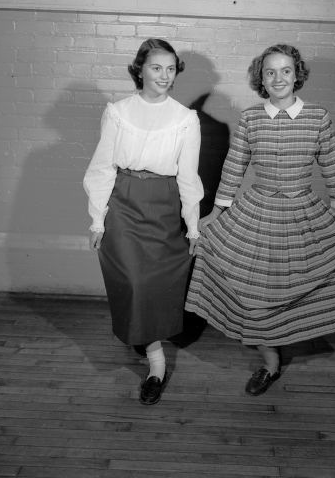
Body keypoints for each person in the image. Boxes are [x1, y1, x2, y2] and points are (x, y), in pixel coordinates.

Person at [185, 43, 335, 396]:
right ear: (261, 79)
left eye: (286, 70)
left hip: (303, 212)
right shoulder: (251, 119)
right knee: (255, 290)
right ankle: (269, 362)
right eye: (270, 72)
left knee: (291, 284)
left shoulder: (318, 118)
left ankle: (288, 335)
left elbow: (333, 168)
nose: (278, 77)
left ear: (297, 75)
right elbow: (234, 167)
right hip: (257, 211)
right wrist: (215, 213)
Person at [83, 38, 203, 405]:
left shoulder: (185, 119)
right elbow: (103, 165)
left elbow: (188, 176)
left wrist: (193, 225)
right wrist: (97, 220)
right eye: (156, 67)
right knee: (133, 281)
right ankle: (156, 363)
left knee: (156, 282)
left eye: (170, 68)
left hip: (163, 205)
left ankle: (146, 337)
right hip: (124, 201)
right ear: (140, 69)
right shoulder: (117, 111)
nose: (164, 76)